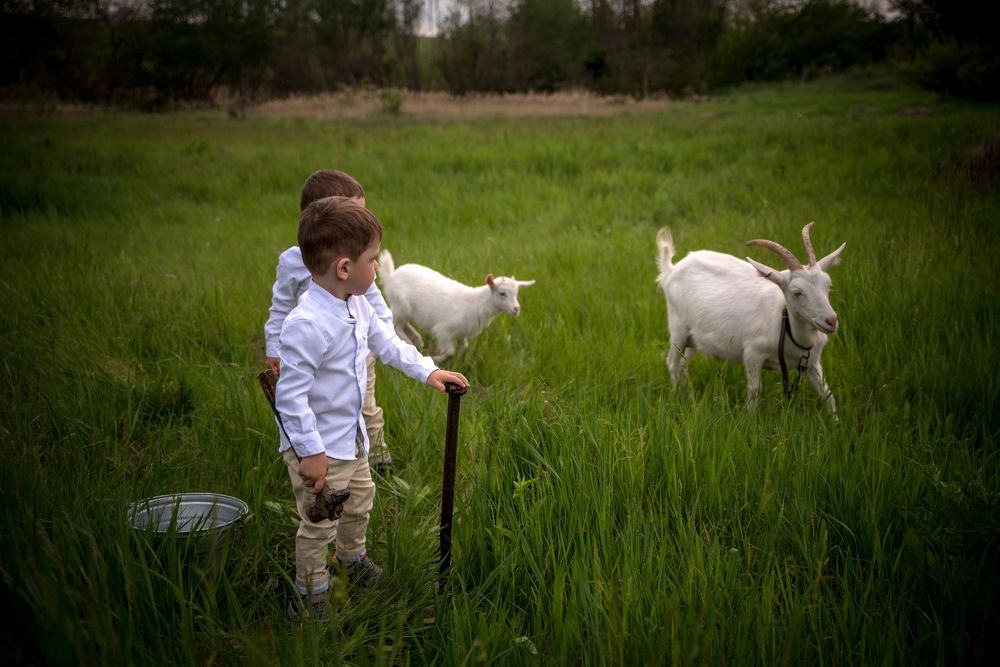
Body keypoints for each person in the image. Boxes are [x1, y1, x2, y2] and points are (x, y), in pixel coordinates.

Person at [275, 196, 469, 620]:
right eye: (372, 259)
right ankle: (310, 595)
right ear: (345, 268)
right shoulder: (307, 325)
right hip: (320, 450)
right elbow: (290, 398)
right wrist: (310, 451)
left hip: (351, 440)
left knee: (361, 500)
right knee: (319, 523)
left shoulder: (356, 303)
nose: (378, 267)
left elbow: (389, 344)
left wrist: (429, 371)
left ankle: (351, 559)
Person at [265, 169, 396, 474]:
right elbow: (280, 307)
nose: (361, 225)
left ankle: (376, 457)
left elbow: (376, 304)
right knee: (313, 404)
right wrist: (274, 347)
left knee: (364, 406)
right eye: (352, 215)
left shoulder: (359, 268)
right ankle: (317, 454)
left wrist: (383, 339)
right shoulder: (293, 262)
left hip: (356, 351)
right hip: (315, 351)